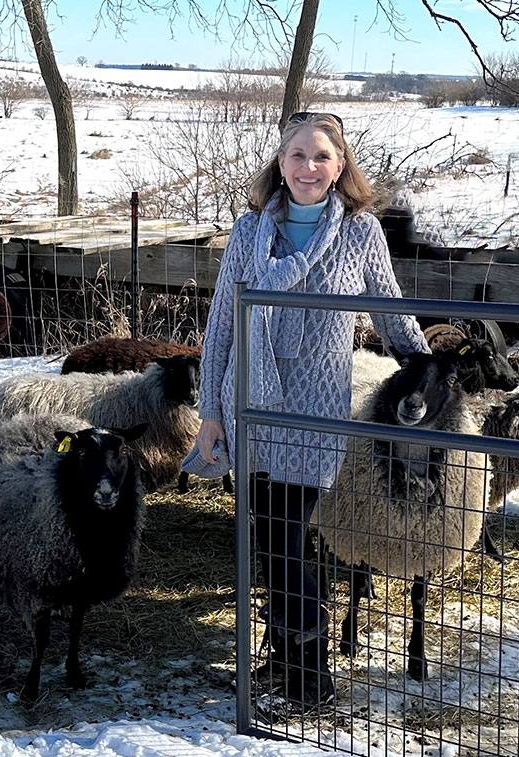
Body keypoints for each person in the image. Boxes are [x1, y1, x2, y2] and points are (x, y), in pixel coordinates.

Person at [194, 112, 429, 707]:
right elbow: (222, 322)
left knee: (288, 534)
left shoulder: (359, 233)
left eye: (321, 156)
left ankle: (311, 671)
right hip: (249, 403)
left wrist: (429, 370)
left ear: (341, 166)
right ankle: (286, 657)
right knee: (268, 538)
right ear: (279, 161)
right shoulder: (250, 232)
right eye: (296, 155)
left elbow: (389, 309)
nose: (308, 167)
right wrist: (211, 409)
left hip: (313, 409)